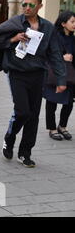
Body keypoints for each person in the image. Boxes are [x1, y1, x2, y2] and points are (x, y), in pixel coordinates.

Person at [0, 0, 66, 168]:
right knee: (22, 111)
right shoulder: (15, 22)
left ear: (40, 6)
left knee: (34, 116)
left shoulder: (47, 27)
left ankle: (25, 152)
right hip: (17, 73)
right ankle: (10, 137)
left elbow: (55, 54)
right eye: (24, 4)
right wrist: (13, 39)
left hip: (38, 74)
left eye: (31, 5)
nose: (27, 8)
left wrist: (61, 80)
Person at [44, 11, 75, 141]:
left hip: (71, 76)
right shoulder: (54, 37)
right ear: (63, 23)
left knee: (68, 103)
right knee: (52, 102)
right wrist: (62, 58)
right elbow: (45, 55)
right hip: (56, 74)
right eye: (72, 21)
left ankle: (62, 126)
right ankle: (52, 128)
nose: (74, 24)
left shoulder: (73, 39)